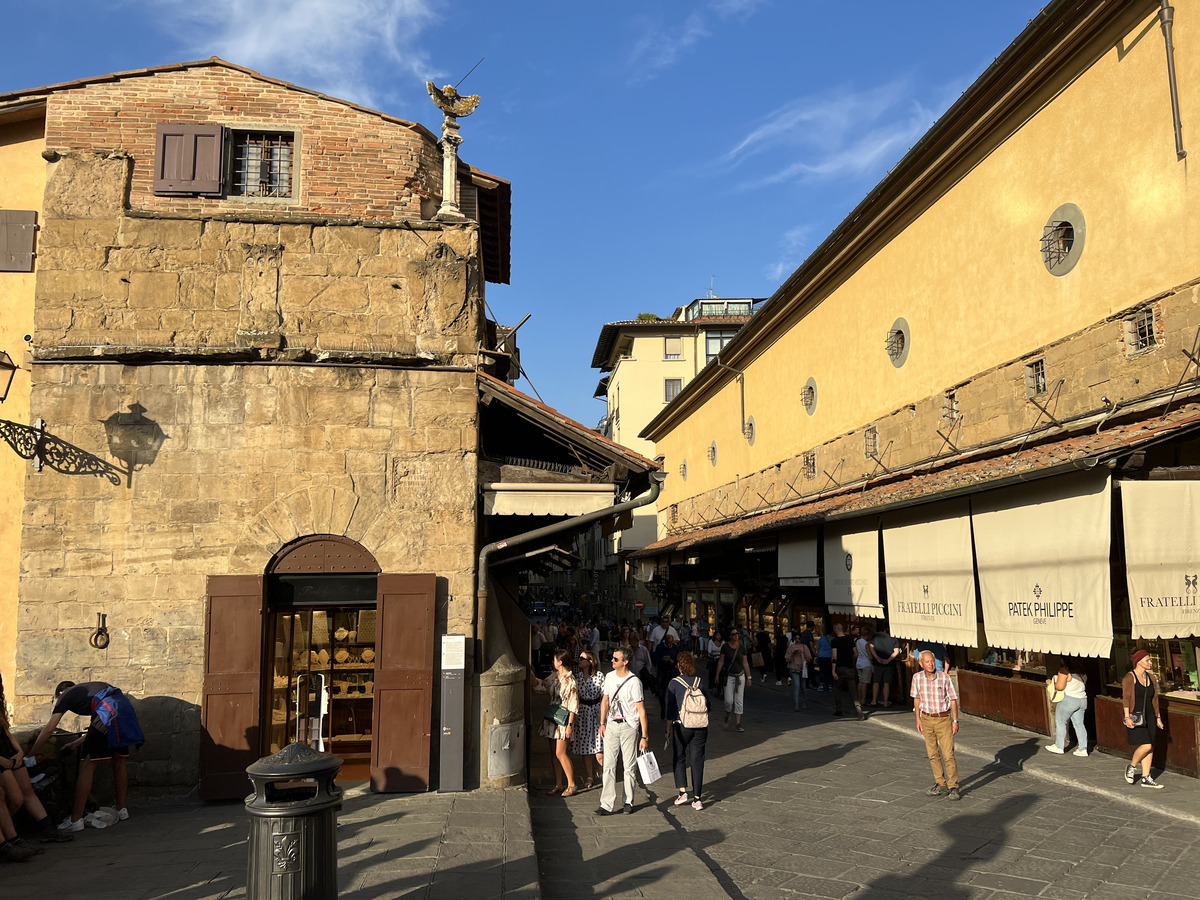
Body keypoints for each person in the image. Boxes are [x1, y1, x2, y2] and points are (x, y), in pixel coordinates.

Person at [30, 680, 144, 831]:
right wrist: (76, 743)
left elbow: (50, 728)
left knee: (87, 765)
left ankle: (75, 820)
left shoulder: (65, 696)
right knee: (119, 762)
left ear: (60, 693)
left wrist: (31, 754)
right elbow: (97, 728)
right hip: (124, 710)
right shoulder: (92, 690)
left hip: (108, 712)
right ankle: (121, 809)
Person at [0, 674, 70, 845]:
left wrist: (19, 751)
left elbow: (7, 731)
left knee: (27, 792)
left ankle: (46, 828)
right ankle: (8, 837)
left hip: (8, 749)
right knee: (15, 798)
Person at [597, 647, 650, 815]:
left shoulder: (634, 682)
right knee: (609, 765)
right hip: (612, 724)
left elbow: (641, 709)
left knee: (629, 766)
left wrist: (644, 735)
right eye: (612, 658)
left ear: (625, 662)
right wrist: (602, 722)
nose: (612, 661)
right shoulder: (609, 677)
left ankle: (628, 801)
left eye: (615, 659)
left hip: (628, 725)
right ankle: (606, 804)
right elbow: (605, 700)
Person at [911, 649, 960, 801]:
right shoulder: (917, 678)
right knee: (932, 754)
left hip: (943, 719)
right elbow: (917, 699)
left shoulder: (944, 678)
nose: (931, 664)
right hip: (926, 718)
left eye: (932, 661)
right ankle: (940, 783)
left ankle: (953, 786)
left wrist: (955, 720)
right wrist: (918, 719)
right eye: (927, 662)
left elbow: (953, 700)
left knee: (948, 754)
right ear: (921, 664)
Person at [665, 651, 708, 810]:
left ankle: (683, 792)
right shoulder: (699, 681)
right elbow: (708, 705)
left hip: (681, 725)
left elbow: (670, 711)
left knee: (680, 757)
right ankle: (697, 798)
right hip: (701, 726)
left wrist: (668, 729)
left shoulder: (674, 683)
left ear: (679, 665)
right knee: (697, 760)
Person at [534, 649, 579, 797]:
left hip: (564, 718)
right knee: (554, 753)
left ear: (560, 662)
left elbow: (573, 705)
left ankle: (571, 784)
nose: (553, 662)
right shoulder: (554, 676)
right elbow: (542, 685)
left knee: (561, 753)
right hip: (552, 717)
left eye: (555, 660)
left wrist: (570, 726)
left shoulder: (570, 680)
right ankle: (559, 784)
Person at [1122, 649, 1165, 788]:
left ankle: (1146, 777)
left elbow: (1155, 699)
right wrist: (1127, 717)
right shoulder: (1130, 677)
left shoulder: (1151, 678)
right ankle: (1132, 766)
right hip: (1136, 715)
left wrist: (1158, 717)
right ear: (1139, 662)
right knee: (1146, 745)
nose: (1150, 662)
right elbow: (1126, 699)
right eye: (1147, 660)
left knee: (1150, 746)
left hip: (1150, 715)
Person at [572, 650, 605, 790]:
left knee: (599, 746)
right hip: (583, 712)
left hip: (596, 711)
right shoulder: (578, 677)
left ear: (590, 661)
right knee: (585, 746)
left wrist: (604, 717)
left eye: (582, 658)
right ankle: (589, 776)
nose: (579, 660)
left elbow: (605, 697)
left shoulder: (599, 676)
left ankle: (603, 773)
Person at [1045, 664, 1088, 757]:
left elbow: (1060, 687)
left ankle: (1059, 746)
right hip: (1082, 700)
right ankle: (1083, 749)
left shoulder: (1064, 671)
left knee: (1061, 722)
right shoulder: (1082, 671)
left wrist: (1051, 683)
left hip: (1069, 700)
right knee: (1079, 725)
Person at [715, 629, 752, 732]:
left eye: (737, 634)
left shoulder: (741, 648)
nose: (736, 636)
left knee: (739, 700)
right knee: (728, 701)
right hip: (729, 676)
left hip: (740, 676)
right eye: (733, 634)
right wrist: (717, 675)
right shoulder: (725, 647)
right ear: (730, 636)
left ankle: (738, 723)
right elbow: (721, 661)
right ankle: (727, 713)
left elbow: (745, 663)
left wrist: (749, 677)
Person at [830, 623, 862, 719]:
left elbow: (834, 657)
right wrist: (850, 659)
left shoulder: (835, 641)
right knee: (853, 689)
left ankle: (839, 709)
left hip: (839, 667)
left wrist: (833, 670)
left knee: (837, 688)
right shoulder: (850, 640)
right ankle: (859, 708)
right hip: (850, 667)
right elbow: (856, 653)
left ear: (835, 630)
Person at [869, 625, 901, 707]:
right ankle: (886, 702)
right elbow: (896, 651)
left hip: (877, 663)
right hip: (889, 664)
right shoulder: (894, 638)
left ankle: (874, 701)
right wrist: (889, 660)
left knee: (876, 682)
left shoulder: (877, 636)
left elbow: (871, 647)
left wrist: (877, 658)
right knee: (886, 683)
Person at [652, 633, 681, 719]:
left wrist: (674, 662)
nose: (669, 644)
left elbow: (679, 659)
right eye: (668, 642)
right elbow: (655, 659)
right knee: (661, 692)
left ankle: (671, 710)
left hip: (672, 672)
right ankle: (663, 708)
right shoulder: (660, 647)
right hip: (662, 671)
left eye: (671, 643)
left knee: (673, 692)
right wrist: (662, 659)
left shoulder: (675, 648)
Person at [785, 631, 813, 711]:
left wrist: (802, 655)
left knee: (803, 686)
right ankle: (796, 704)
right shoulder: (790, 647)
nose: (797, 640)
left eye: (799, 638)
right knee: (797, 685)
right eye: (796, 638)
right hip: (794, 668)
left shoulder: (804, 647)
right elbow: (787, 659)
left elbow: (809, 658)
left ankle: (804, 701)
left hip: (802, 668)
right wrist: (793, 654)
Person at [855, 627, 874, 708]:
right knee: (865, 682)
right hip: (866, 663)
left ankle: (859, 698)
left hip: (859, 662)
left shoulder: (857, 641)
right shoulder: (866, 644)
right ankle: (863, 699)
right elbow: (870, 656)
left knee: (860, 681)